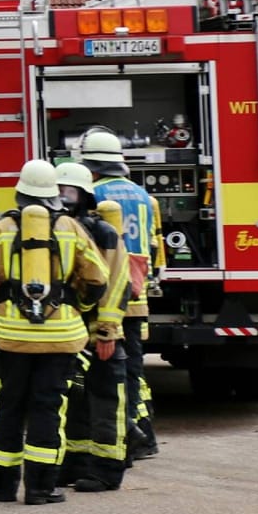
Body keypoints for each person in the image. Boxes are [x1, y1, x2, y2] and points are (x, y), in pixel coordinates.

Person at [0, 160, 108, 504]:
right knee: (48, 408)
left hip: (12, 334)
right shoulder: (71, 228)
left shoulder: (1, 229)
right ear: (53, 195)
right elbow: (98, 279)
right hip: (61, 337)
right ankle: (41, 488)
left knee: (8, 406)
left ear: (19, 192)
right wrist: (77, 307)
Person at [85, 129, 163, 460]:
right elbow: (155, 246)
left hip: (110, 296)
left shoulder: (94, 197)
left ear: (92, 165)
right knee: (132, 369)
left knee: (106, 372)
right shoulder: (146, 197)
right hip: (137, 295)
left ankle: (126, 434)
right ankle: (142, 434)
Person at [55, 162, 129, 492]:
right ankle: (76, 463)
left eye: (70, 192)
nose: (64, 198)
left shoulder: (103, 233)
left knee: (105, 402)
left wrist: (106, 331)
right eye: (59, 191)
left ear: (85, 195)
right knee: (75, 398)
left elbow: (116, 283)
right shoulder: (58, 229)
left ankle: (107, 470)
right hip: (70, 331)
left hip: (100, 332)